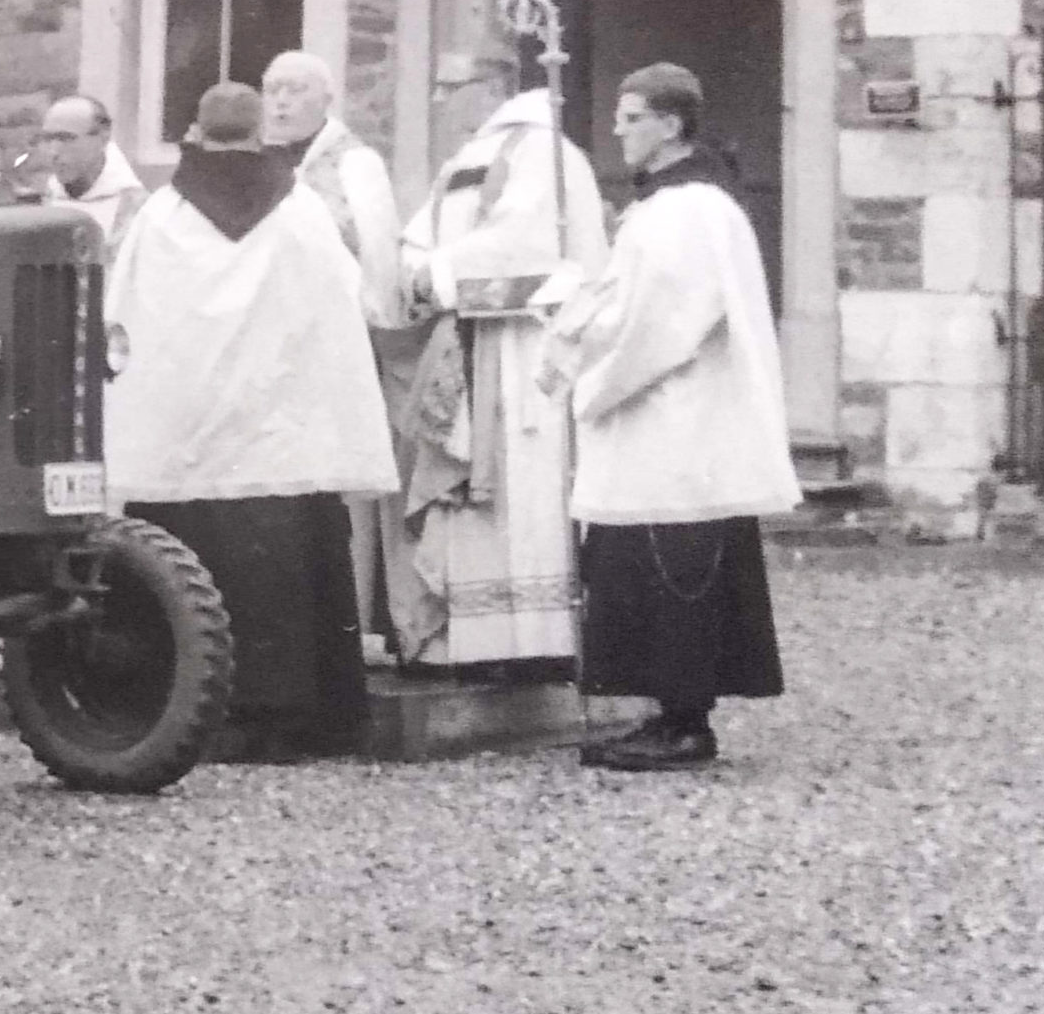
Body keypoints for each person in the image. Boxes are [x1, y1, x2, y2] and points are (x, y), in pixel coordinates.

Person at [106, 83, 399, 761]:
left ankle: (200, 712)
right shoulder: (301, 210)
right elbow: (342, 303)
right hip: (280, 438)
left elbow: (123, 317)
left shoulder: (161, 217)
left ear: (195, 134)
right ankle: (306, 719)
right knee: (288, 568)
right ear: (261, 134)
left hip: (189, 440)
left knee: (191, 567)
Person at [545, 64, 794, 771]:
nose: (617, 129)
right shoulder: (673, 204)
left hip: (677, 421)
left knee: (674, 569)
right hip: (664, 419)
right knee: (652, 563)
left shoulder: (689, 209)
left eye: (632, 117)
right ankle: (668, 712)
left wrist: (582, 362)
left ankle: (686, 723)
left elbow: (656, 322)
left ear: (671, 125)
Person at [394, 49, 608, 668]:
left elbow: (524, 241)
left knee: (523, 484)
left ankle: (536, 641)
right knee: (470, 491)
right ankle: (475, 637)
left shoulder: (541, 151)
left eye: (449, 85)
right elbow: (421, 234)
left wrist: (436, 273)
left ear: (491, 87)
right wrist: (416, 268)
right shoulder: (472, 155)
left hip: (524, 350)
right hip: (471, 339)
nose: (439, 99)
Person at [260, 50, 418, 660]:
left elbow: (379, 251)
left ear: (327, 99)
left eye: (295, 90)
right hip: (277, 347)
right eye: (272, 89)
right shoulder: (260, 161)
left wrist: (369, 326)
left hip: (342, 343)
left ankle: (350, 622)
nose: (280, 102)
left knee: (342, 479)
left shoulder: (355, 162)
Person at [29, 94, 146, 255]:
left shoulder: (140, 212)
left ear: (103, 139)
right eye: (48, 139)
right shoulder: (36, 202)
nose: (53, 152)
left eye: (66, 138)